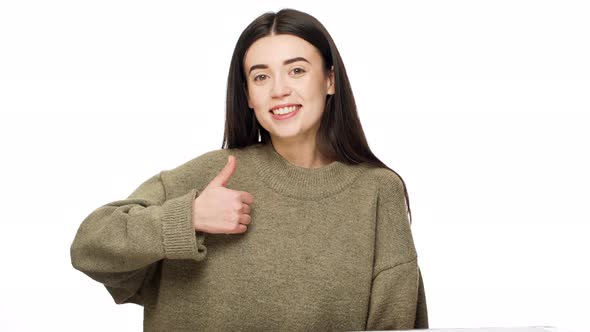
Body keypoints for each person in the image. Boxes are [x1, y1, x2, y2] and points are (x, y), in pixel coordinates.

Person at [70, 8, 428, 331]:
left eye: (297, 70)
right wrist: (187, 218)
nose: (279, 90)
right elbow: (89, 247)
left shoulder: (377, 192)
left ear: (329, 80)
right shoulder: (212, 176)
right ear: (248, 95)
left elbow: (395, 325)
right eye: (261, 77)